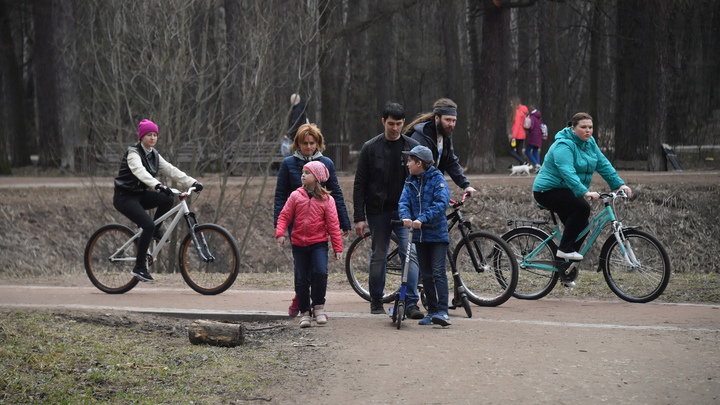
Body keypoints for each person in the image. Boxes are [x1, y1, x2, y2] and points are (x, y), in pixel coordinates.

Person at [533, 112, 633, 283]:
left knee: (582, 226)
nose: (588, 131)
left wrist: (619, 184)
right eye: (583, 127)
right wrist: (584, 192)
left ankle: (565, 267)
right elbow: (567, 171)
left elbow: (603, 164)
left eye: (590, 127)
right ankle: (564, 250)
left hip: (568, 190)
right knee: (582, 208)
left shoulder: (590, 143)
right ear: (573, 128)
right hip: (548, 190)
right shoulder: (563, 145)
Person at [353, 102, 424, 318]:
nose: (395, 128)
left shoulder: (412, 148)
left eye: (399, 124)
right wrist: (359, 217)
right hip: (378, 210)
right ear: (383, 122)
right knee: (379, 255)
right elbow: (360, 184)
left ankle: (411, 302)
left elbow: (422, 180)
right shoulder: (370, 148)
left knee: (409, 254)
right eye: (391, 124)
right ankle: (376, 300)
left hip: (405, 211)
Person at [274, 123, 351, 316]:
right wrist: (280, 227)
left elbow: (336, 194)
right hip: (296, 221)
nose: (308, 147)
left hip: (319, 223)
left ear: (318, 143)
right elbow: (281, 197)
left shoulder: (326, 164)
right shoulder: (288, 164)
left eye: (312, 143)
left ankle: (313, 302)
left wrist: (344, 221)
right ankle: (302, 301)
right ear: (297, 144)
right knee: (301, 266)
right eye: (304, 143)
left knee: (318, 266)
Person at [113, 119, 203, 282]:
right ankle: (139, 267)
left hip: (139, 195)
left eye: (155, 135)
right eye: (149, 135)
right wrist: (158, 185)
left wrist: (192, 182)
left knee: (167, 199)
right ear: (142, 137)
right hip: (124, 197)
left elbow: (171, 170)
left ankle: (153, 232)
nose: (153, 138)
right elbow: (140, 172)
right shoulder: (133, 153)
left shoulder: (154, 155)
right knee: (147, 224)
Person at [275, 161, 343, 328]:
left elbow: (333, 225)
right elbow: (284, 215)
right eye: (303, 172)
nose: (303, 175)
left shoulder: (327, 200)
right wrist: (280, 232)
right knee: (301, 278)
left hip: (318, 243)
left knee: (320, 272)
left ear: (317, 178)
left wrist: (337, 247)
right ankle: (304, 311)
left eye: (307, 173)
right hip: (299, 243)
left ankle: (318, 306)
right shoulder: (295, 196)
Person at [398, 145, 452, 327]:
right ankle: (433, 311)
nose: (407, 164)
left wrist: (422, 218)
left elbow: (441, 202)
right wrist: (405, 216)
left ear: (419, 163)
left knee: (438, 273)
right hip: (420, 236)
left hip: (436, 235)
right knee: (426, 275)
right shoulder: (410, 181)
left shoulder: (437, 179)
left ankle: (443, 311)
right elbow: (403, 201)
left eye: (410, 161)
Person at [403, 98, 477, 197]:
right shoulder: (422, 137)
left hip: (430, 189)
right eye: (447, 120)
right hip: (414, 192)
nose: (451, 124)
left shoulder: (445, 136)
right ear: (437, 118)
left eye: (454, 121)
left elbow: (451, 162)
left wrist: (465, 185)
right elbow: (419, 168)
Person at [508, 97, 529, 165]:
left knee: (510, 150)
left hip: (517, 135)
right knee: (519, 151)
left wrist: (513, 137)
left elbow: (517, 125)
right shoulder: (523, 112)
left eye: (511, 103)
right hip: (522, 134)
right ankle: (522, 167)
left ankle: (523, 163)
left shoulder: (517, 112)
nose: (511, 105)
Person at [526, 107, 544, 173]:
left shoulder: (532, 117)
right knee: (535, 151)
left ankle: (537, 164)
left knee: (527, 151)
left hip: (533, 136)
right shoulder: (538, 118)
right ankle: (538, 166)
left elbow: (531, 127)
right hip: (538, 136)